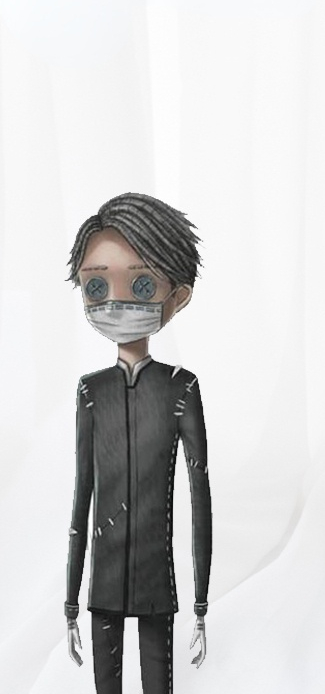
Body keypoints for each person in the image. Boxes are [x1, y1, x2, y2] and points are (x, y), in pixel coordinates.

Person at [64, 192, 212, 694]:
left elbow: (199, 497)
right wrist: (70, 602)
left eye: (142, 284)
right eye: (96, 285)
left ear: (179, 296)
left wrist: (201, 605)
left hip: (155, 584)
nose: (116, 302)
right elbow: (82, 495)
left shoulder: (180, 387)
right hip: (103, 584)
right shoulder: (91, 390)